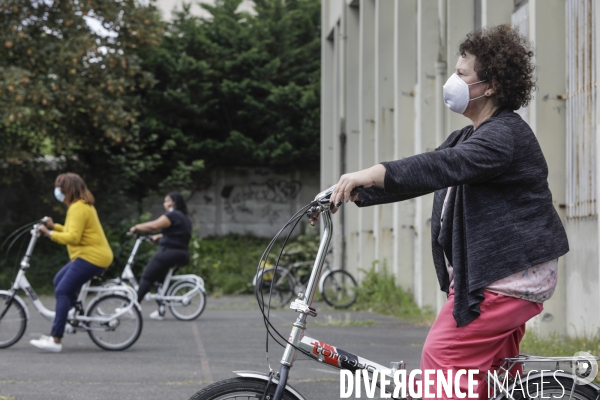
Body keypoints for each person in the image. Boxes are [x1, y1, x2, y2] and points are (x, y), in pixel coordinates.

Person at [326, 25, 568, 399]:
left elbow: (440, 166)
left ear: (490, 85)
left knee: (441, 362)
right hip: (496, 276)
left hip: (507, 279)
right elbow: (424, 176)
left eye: (461, 74)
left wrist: (373, 172)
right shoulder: (471, 135)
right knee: (480, 384)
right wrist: (353, 192)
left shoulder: (503, 137)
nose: (451, 81)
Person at [31, 173, 114, 353]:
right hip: (90, 256)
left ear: (68, 190)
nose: (58, 191)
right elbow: (71, 230)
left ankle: (56, 339)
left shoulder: (78, 208)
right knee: (58, 281)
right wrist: (54, 227)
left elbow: (73, 237)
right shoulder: (81, 206)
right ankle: (73, 315)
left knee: (62, 290)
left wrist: (49, 234)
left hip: (92, 257)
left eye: (60, 188)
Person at [129, 191, 192, 320]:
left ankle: (132, 308)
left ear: (173, 202)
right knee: (160, 281)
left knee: (147, 277)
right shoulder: (184, 217)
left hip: (169, 252)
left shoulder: (172, 215)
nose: (164, 203)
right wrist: (158, 237)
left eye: (166, 201)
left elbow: (154, 225)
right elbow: (177, 234)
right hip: (182, 254)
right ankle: (161, 311)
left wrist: (137, 227)